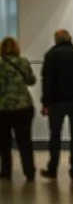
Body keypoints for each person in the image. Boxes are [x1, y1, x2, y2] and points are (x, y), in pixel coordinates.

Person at [38, 29, 73, 181]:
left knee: (55, 136)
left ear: (56, 40)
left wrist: (45, 103)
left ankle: (53, 169)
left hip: (56, 102)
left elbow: (46, 81)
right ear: (70, 38)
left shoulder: (51, 55)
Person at [0, 37, 34, 181]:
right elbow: (31, 81)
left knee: (4, 142)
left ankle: (6, 171)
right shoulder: (23, 61)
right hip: (23, 107)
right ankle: (29, 171)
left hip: (3, 108)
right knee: (25, 141)